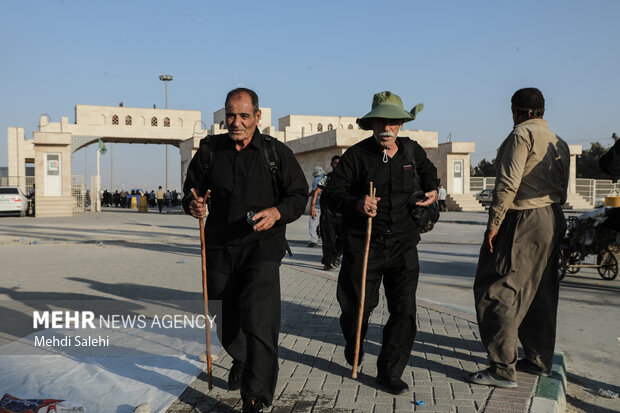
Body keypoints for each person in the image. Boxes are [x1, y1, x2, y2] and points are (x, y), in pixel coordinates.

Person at [182, 88, 308, 413]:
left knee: (259, 319)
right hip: (220, 246)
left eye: (244, 116)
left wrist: (277, 212)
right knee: (223, 318)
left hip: (263, 248)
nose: (236, 122)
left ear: (258, 117)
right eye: (231, 115)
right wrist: (193, 204)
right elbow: (190, 189)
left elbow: (297, 194)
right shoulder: (210, 151)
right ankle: (243, 357)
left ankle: (255, 397)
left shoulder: (275, 153)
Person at [326, 91, 438, 394]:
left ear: (401, 124)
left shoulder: (412, 152)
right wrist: (358, 202)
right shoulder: (355, 156)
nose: (386, 128)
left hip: (403, 245)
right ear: (372, 124)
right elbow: (332, 195)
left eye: (393, 122)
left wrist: (433, 191)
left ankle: (390, 372)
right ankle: (355, 346)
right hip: (363, 246)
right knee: (357, 308)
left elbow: (430, 175)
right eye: (381, 122)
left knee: (404, 311)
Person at [468, 88, 569, 388]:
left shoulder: (521, 135)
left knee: (497, 289)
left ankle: (501, 369)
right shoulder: (557, 140)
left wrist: (494, 223)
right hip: (552, 217)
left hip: (524, 217)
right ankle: (538, 360)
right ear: (541, 110)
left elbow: (508, 183)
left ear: (517, 111)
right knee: (540, 291)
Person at [315, 155, 342, 270]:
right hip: (328, 213)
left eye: (339, 163)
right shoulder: (327, 177)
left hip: (342, 213)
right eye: (335, 163)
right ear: (332, 165)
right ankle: (328, 261)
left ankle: (335, 255)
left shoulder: (347, 178)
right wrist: (312, 207)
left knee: (344, 237)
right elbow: (317, 191)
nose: (337, 165)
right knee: (328, 238)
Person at [308, 166, 325, 247]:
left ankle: (313, 240)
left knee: (312, 223)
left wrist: (312, 207)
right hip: (325, 206)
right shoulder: (325, 178)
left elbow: (315, 192)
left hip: (317, 206)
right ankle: (322, 238)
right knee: (323, 223)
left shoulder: (316, 179)